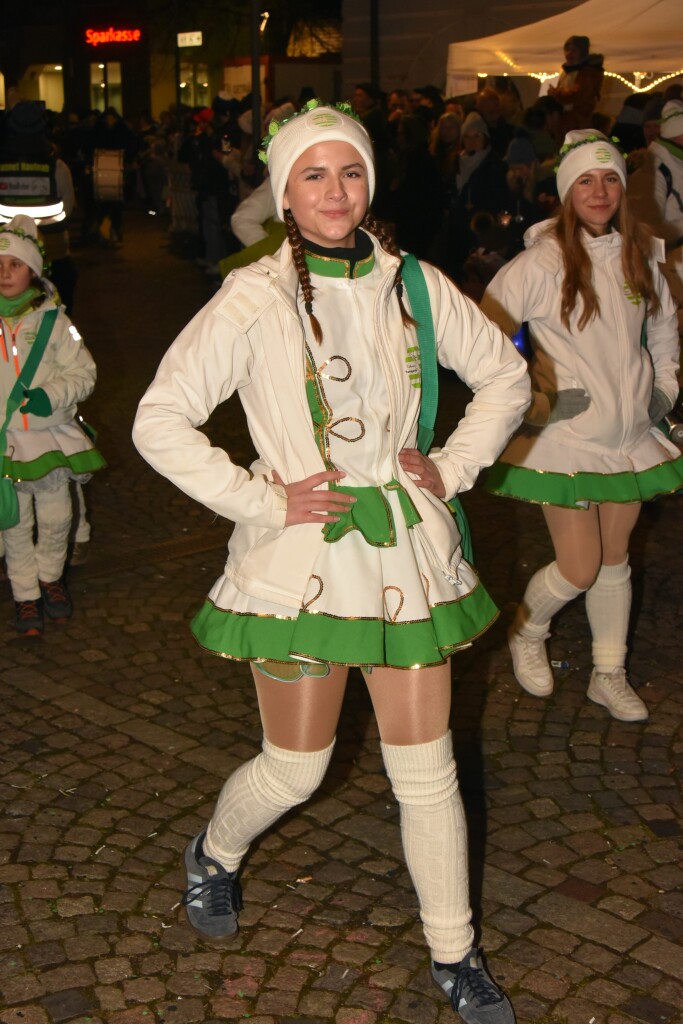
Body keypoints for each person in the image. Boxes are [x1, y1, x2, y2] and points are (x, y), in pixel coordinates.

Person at [133, 100, 530, 1023]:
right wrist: (262, 499)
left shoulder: (417, 285)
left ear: (370, 183)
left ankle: (454, 951)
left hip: (405, 556)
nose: (334, 192)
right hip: (299, 560)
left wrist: (453, 468)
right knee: (298, 765)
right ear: (282, 191)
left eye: (348, 172)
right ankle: (215, 854)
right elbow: (158, 420)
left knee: (424, 769)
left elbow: (507, 375)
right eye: (312, 175)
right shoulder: (252, 296)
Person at [480, 130, 683, 722]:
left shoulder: (640, 254)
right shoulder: (540, 261)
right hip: (567, 440)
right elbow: (481, 335)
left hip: (630, 438)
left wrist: (665, 389)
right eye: (586, 181)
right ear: (567, 190)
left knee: (615, 558)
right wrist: (533, 399)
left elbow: (667, 332)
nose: (600, 191)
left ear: (624, 186)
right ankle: (526, 628)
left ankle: (608, 673)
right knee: (580, 566)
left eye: (611, 178)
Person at [0, 215, 105, 634]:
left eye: (15, 264)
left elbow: (85, 373)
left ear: (33, 271)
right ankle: (26, 595)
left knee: (58, 514)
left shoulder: (57, 323)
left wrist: (50, 395)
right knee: (15, 521)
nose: (5, 273)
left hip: (49, 436)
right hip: (6, 441)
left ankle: (51, 578)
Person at [548, 36, 604, 132]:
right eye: (567, 50)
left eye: (574, 50)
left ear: (582, 51)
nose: (569, 53)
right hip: (567, 120)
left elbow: (580, 95)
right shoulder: (568, 70)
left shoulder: (587, 72)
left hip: (577, 122)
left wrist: (556, 93)